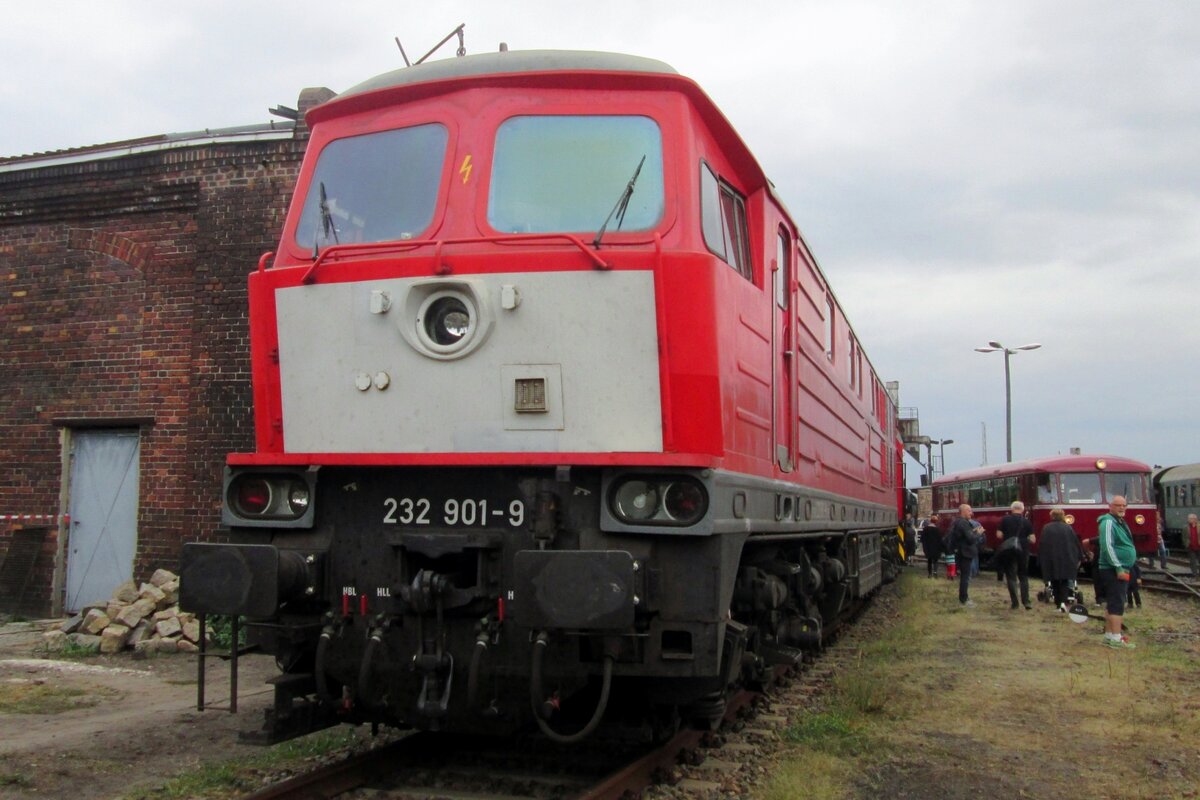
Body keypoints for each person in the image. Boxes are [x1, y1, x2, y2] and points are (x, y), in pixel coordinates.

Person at [1096, 495, 1137, 649]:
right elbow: (1107, 546)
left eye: (1124, 505)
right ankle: (1116, 637)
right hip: (1114, 569)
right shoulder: (1108, 522)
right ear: (1110, 506)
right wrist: (1118, 567)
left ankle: (1109, 636)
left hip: (1120, 568)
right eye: (1118, 505)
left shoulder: (1118, 522)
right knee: (1117, 604)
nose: (1122, 508)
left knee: (1113, 602)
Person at [1038, 508, 1083, 610]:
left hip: (1051, 558)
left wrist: (1041, 559)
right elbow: (1075, 543)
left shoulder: (1047, 528)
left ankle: (1058, 603)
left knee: (1054, 581)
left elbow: (1043, 544)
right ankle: (1063, 601)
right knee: (1065, 581)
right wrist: (1079, 557)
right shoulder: (1068, 528)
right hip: (1067, 558)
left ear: (1052, 516)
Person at [996, 501, 1036, 610]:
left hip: (1009, 551)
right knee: (1023, 576)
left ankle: (1015, 603)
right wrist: (1025, 540)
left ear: (1011, 509)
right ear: (1022, 509)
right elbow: (1033, 539)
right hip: (1023, 551)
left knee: (1011, 576)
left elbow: (999, 535)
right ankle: (1026, 602)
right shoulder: (1027, 522)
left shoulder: (1005, 520)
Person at [946, 504, 982, 607]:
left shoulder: (957, 522)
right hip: (965, 552)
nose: (971, 513)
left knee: (965, 576)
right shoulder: (963, 523)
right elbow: (970, 539)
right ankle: (964, 599)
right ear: (964, 511)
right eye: (969, 511)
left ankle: (964, 597)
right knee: (965, 577)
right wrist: (978, 533)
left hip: (960, 551)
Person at [1186, 513, 1200, 577]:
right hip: (1191, 547)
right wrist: (1186, 543)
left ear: (1194, 519)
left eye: (1190, 518)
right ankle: (1195, 574)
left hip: (1199, 546)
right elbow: (1184, 537)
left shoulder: (1199, 526)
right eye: (1189, 518)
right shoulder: (1186, 527)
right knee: (1192, 561)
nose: (1188, 520)